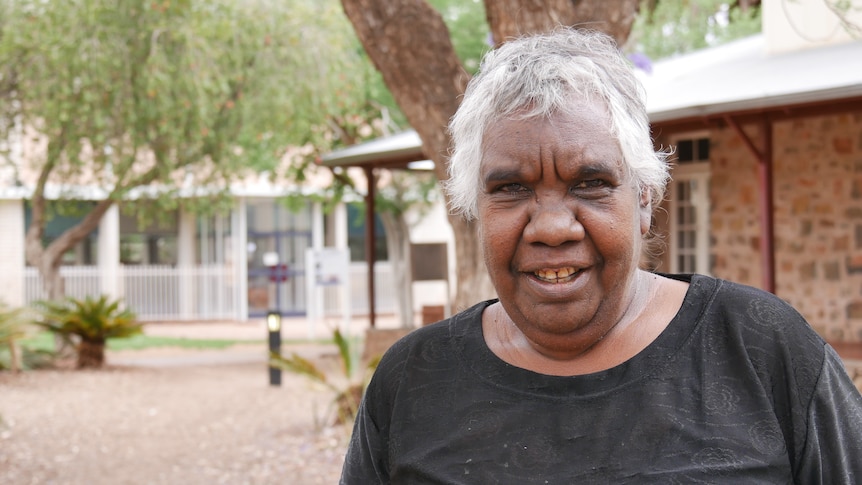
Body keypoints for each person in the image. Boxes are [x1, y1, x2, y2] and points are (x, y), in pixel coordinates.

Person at [340, 27, 862, 484]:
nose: (551, 227)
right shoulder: (414, 381)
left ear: (644, 199)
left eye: (590, 183)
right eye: (511, 189)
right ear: (476, 207)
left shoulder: (762, 350)